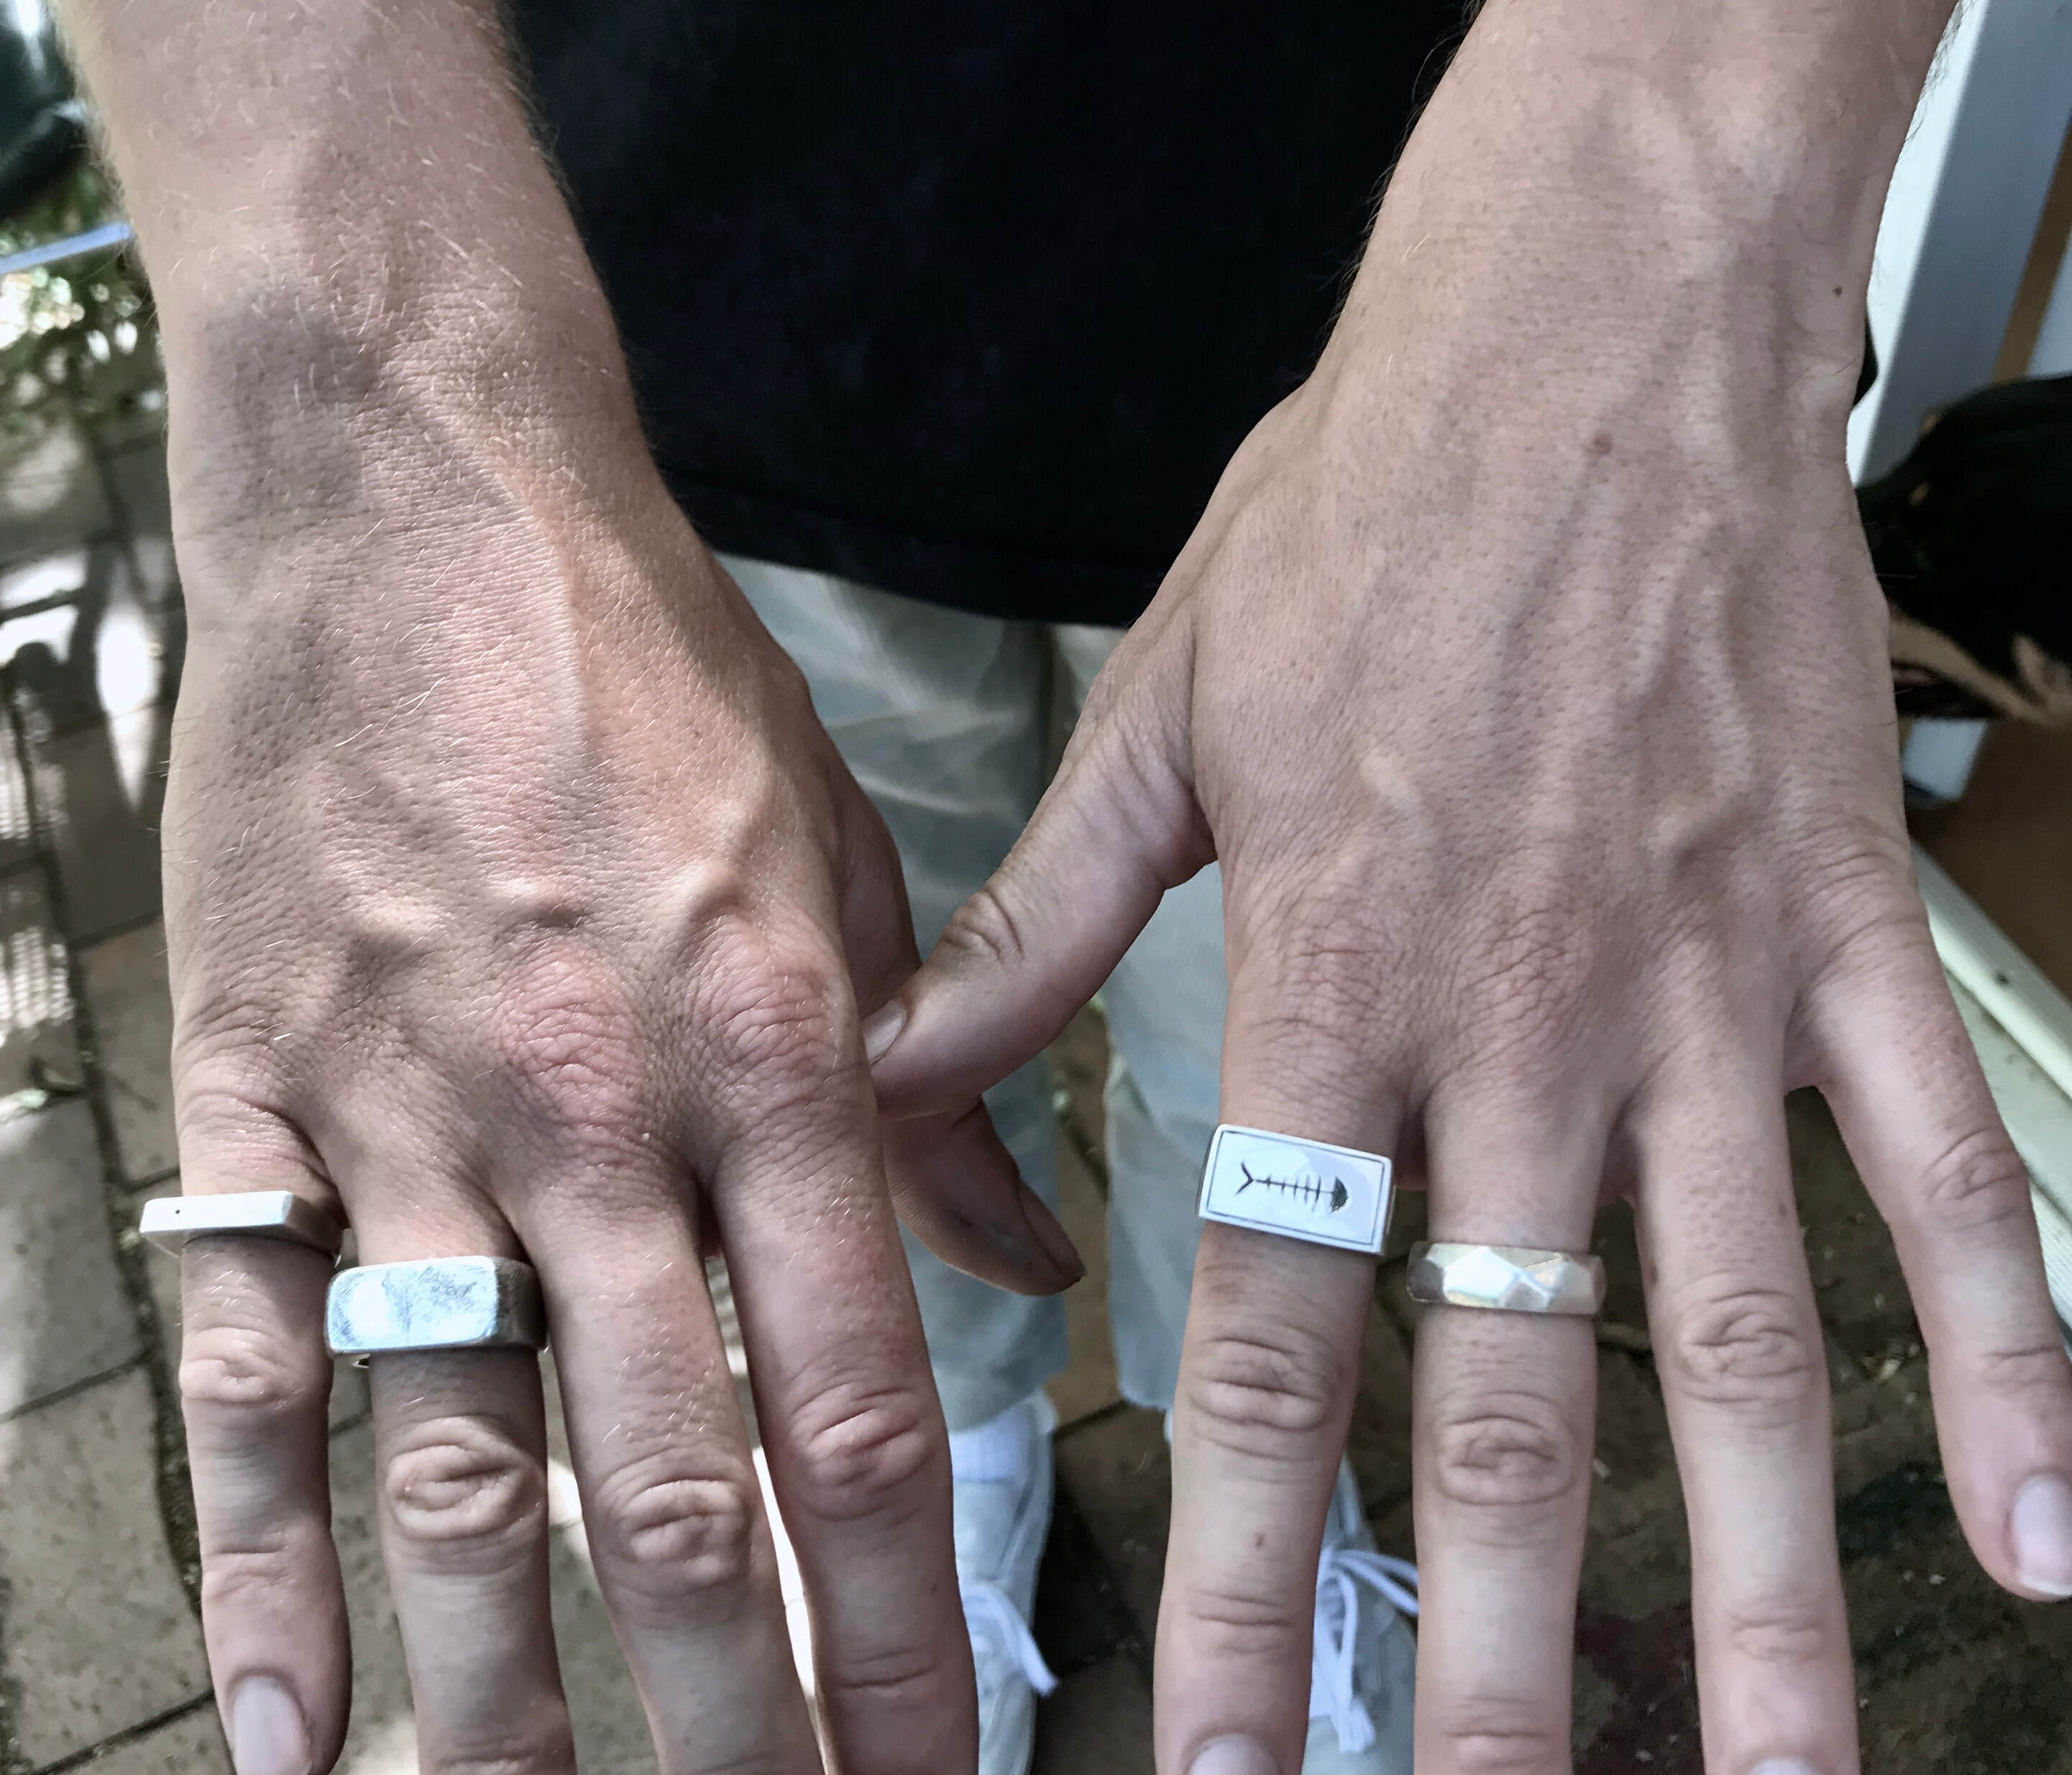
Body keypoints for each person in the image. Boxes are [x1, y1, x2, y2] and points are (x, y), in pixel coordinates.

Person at [65, 1, 2072, 1772]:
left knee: (1280, 1074)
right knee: (841, 1068)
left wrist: (1679, 155)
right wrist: (347, 353)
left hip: (1413, 331)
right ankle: (955, 1449)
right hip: (691, 303)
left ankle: (1251, 1485)